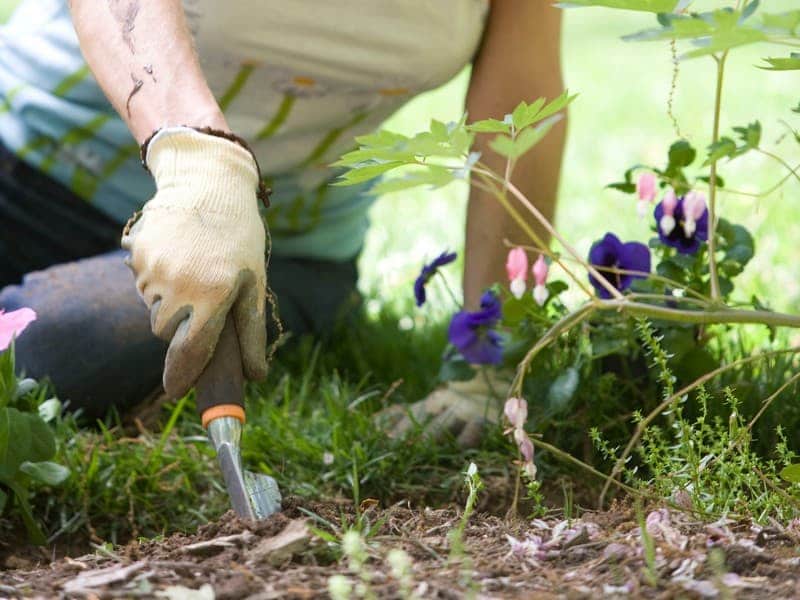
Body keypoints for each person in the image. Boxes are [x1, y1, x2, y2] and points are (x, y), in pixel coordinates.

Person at [0, 0, 565, 443]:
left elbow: (520, 111)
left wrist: (492, 357)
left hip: (279, 245)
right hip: (33, 161)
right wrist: (200, 162)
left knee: (45, 353)